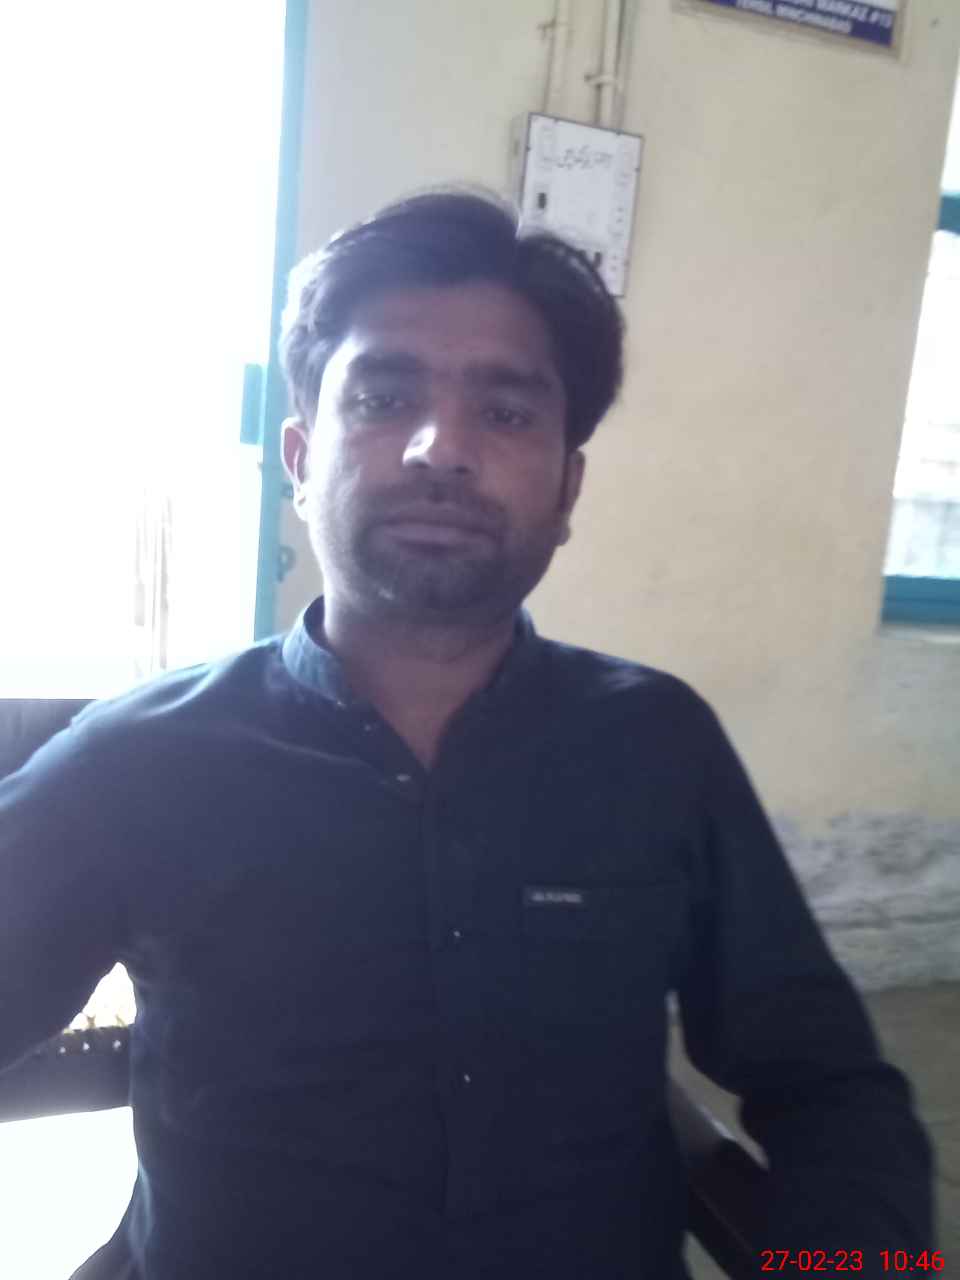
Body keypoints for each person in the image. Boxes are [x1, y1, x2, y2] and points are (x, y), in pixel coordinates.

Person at [0, 185, 933, 1280]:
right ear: (298, 459)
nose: (441, 449)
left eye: (506, 413)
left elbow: (829, 1085)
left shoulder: (657, 747)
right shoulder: (143, 763)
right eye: (384, 396)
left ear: (567, 488)